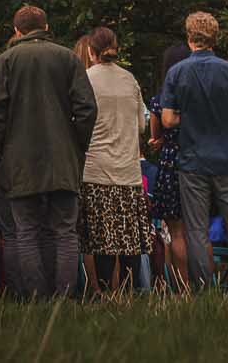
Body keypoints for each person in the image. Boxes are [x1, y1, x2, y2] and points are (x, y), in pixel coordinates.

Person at [0, 4, 96, 299]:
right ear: (45, 27)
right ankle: (65, 296)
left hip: (18, 159)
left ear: (16, 31)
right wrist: (76, 145)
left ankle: (35, 297)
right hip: (62, 157)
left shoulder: (6, 60)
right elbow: (87, 110)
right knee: (64, 231)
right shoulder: (68, 58)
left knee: (26, 231)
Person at [157, 11, 228, 291]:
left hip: (192, 161)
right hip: (226, 160)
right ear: (215, 38)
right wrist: (223, 118)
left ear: (190, 38)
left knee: (196, 230)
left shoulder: (177, 72)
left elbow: (167, 120)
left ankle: (203, 290)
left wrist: (191, 119)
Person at [76, 26, 149, 294]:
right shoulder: (130, 79)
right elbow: (141, 125)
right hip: (128, 170)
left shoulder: (85, 79)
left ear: (91, 51)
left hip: (96, 169)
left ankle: (106, 292)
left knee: (102, 239)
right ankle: (130, 292)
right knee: (128, 239)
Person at [145, 41, 190, 289]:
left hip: (171, 161)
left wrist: (161, 140)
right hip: (197, 159)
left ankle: (182, 287)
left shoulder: (160, 99)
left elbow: (155, 136)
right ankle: (203, 283)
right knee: (197, 230)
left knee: (176, 231)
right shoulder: (198, 95)